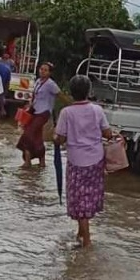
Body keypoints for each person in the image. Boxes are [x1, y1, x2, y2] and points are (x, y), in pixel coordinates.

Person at [53, 74, 112, 248]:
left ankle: (86, 241)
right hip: (96, 159)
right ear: (89, 91)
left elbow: (60, 139)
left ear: (71, 92)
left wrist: (54, 136)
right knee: (89, 198)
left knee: (79, 200)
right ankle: (81, 233)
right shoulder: (97, 110)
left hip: (76, 161)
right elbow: (107, 133)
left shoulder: (66, 113)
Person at [17, 62, 60, 168]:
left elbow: (60, 95)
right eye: (41, 69)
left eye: (45, 70)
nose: (42, 71)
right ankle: (42, 162)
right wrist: (29, 107)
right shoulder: (37, 82)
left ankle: (27, 161)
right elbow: (34, 96)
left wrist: (73, 105)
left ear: (50, 73)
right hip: (34, 111)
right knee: (37, 137)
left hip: (44, 113)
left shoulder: (51, 84)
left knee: (28, 134)